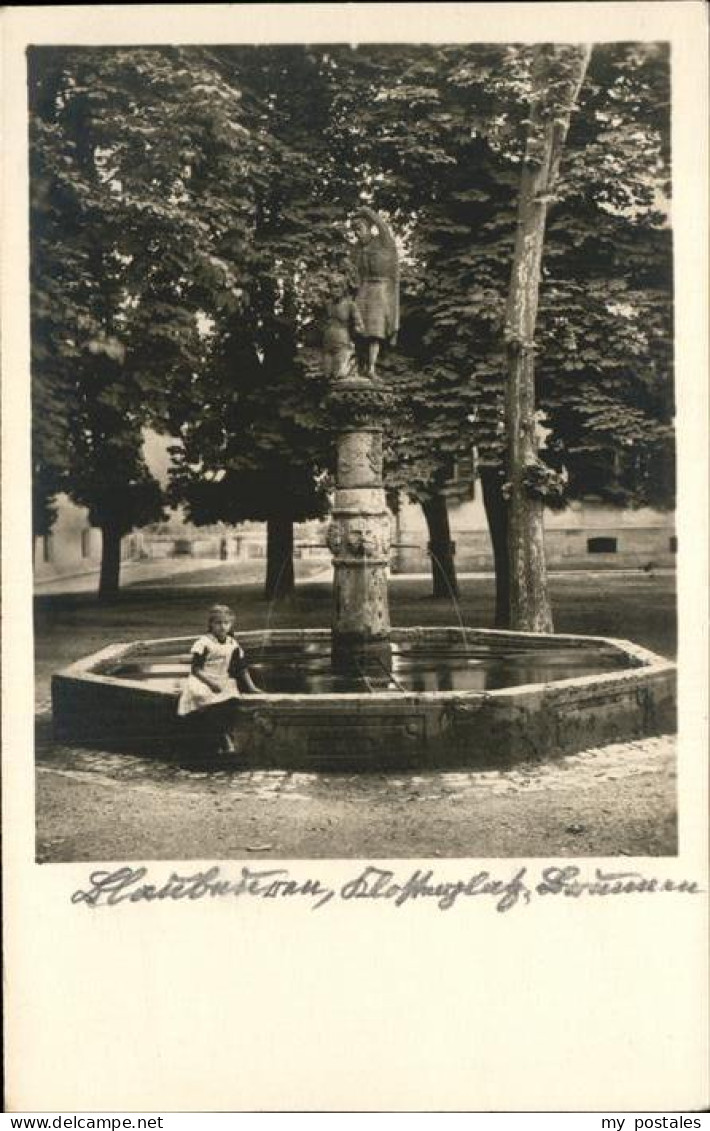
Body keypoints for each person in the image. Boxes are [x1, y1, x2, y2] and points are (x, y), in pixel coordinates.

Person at [177, 604, 262, 754]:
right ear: (211, 624)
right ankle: (221, 737)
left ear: (231, 624)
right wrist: (211, 683)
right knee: (204, 697)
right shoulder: (204, 643)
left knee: (231, 698)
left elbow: (242, 668)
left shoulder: (232, 644)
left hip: (222, 678)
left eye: (226, 623)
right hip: (202, 678)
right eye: (218, 623)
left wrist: (252, 687)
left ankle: (225, 734)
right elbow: (195, 669)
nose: (222, 627)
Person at [351, 206, 400, 378]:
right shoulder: (357, 249)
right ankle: (358, 367)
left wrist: (366, 211)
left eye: (359, 229)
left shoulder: (382, 242)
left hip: (379, 290)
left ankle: (371, 368)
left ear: (368, 228)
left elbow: (382, 225)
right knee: (357, 330)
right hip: (363, 289)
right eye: (354, 231)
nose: (357, 234)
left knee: (374, 331)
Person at [321, 273, 365, 380]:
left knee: (340, 375)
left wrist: (357, 330)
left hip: (342, 343)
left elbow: (360, 326)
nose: (333, 290)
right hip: (327, 343)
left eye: (336, 286)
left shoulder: (350, 305)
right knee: (327, 376)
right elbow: (323, 322)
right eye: (331, 287)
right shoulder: (327, 305)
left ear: (343, 288)